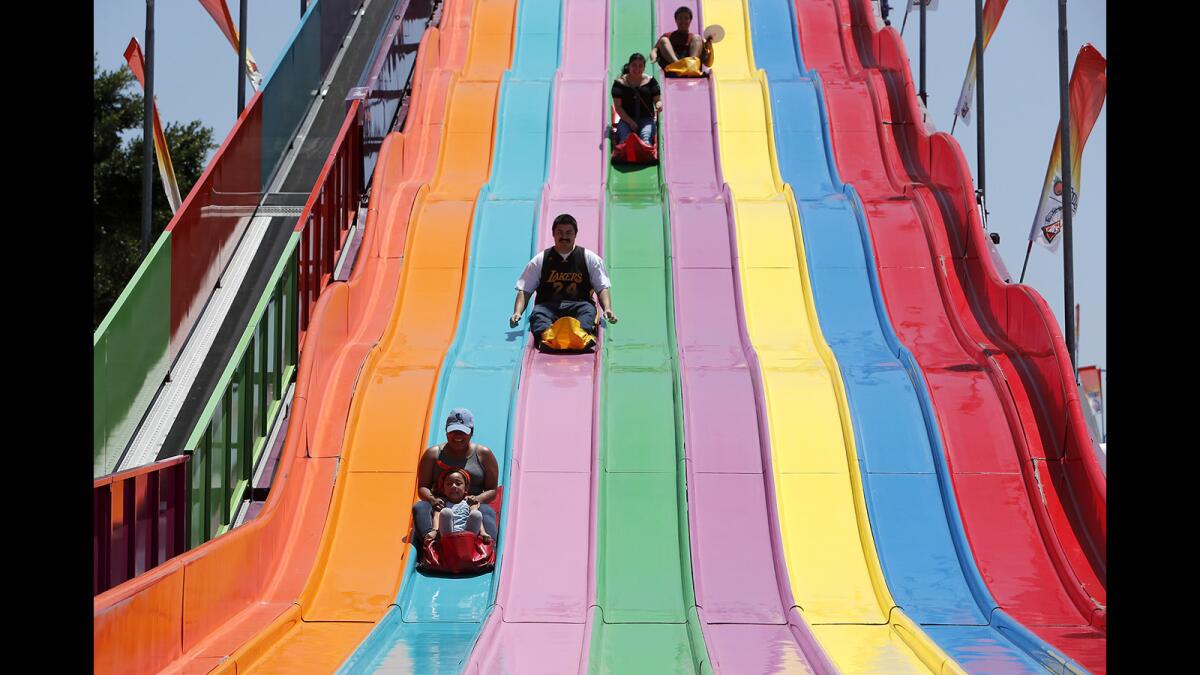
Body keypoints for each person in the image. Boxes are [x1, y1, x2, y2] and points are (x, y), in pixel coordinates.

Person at [509, 213, 618, 345]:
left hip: (579, 304)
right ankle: (548, 337)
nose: (564, 236)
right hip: (548, 306)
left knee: (588, 312)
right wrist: (517, 312)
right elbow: (525, 290)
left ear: (575, 234)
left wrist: (607, 308)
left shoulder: (589, 259)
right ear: (553, 234)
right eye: (560, 232)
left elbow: (602, 288)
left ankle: (580, 335)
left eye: (568, 232)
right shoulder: (540, 260)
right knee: (538, 314)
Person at [412, 408, 500, 545]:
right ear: (446, 431)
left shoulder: (484, 455)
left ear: (471, 432)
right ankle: (430, 542)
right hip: (441, 503)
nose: (457, 436)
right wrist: (432, 499)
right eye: (453, 431)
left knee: (486, 510)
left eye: (462, 432)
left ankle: (487, 546)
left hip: (472, 504)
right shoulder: (433, 455)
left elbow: (492, 490)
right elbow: (423, 487)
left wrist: (476, 499)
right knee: (420, 507)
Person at [428, 469, 491, 544]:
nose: (454, 486)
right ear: (444, 489)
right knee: (446, 512)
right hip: (447, 535)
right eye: (449, 484)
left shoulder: (469, 502)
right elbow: (437, 516)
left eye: (458, 484)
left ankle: (469, 541)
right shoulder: (442, 503)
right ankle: (447, 541)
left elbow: (477, 519)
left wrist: (483, 532)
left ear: (466, 488)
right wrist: (434, 530)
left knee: (476, 514)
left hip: (468, 535)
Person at [611, 53, 661, 145]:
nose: (637, 69)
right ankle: (625, 154)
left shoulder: (651, 82)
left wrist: (658, 104)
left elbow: (657, 100)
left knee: (645, 137)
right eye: (634, 65)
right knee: (625, 139)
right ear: (629, 66)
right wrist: (631, 122)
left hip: (646, 119)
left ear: (644, 67)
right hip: (626, 119)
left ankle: (646, 153)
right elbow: (618, 107)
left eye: (640, 66)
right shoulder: (619, 84)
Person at [650, 6, 711, 72]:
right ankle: (678, 65)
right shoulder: (668, 36)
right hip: (673, 67)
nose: (683, 21)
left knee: (697, 37)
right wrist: (653, 57)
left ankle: (690, 65)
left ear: (690, 20)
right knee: (663, 40)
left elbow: (708, 63)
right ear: (676, 20)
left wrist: (710, 48)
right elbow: (654, 50)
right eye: (680, 18)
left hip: (690, 68)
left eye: (686, 18)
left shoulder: (694, 38)